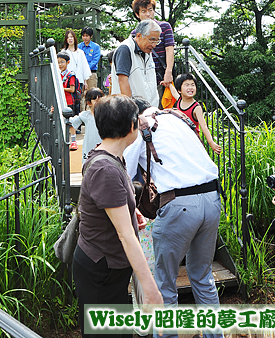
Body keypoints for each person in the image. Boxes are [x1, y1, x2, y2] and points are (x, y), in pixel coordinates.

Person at [124, 100, 223, 338]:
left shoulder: (141, 126)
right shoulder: (178, 119)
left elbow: (123, 172)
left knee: (164, 282)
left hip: (180, 204)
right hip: (212, 199)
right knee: (202, 275)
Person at [72, 95, 163, 338]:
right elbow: (126, 236)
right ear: (131, 127)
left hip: (108, 267)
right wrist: (151, 289)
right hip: (101, 272)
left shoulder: (110, 154)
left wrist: (130, 210)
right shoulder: (106, 169)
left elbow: (108, 199)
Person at [131, 0, 175, 105]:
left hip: (161, 77)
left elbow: (169, 50)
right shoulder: (135, 34)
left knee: (160, 109)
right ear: (137, 14)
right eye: (143, 11)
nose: (148, 14)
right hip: (143, 78)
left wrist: (168, 72)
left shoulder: (164, 27)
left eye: (150, 10)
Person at [111, 19, 160, 108]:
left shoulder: (147, 51)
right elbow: (122, 80)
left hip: (149, 110)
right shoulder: (125, 49)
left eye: (157, 41)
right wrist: (131, 110)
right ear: (139, 35)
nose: (154, 45)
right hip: (131, 111)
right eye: (152, 40)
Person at [170, 73, 221, 154]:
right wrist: (169, 84)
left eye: (193, 85)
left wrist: (211, 143)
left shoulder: (196, 107)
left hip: (193, 140)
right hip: (181, 137)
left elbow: (203, 126)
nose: (190, 87)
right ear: (179, 90)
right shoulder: (180, 100)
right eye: (186, 85)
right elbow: (174, 92)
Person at [61, 30, 91, 137]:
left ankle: (77, 126)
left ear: (74, 39)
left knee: (77, 103)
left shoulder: (80, 52)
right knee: (68, 103)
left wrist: (85, 81)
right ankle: (69, 125)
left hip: (79, 80)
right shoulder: (63, 52)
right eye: (68, 37)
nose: (70, 39)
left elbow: (84, 67)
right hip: (67, 80)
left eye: (71, 37)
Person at [70, 87, 104, 164]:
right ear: (89, 103)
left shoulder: (107, 114)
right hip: (89, 147)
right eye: (95, 100)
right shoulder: (86, 115)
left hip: (103, 147)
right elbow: (71, 123)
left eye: (101, 99)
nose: (99, 102)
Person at [57, 52, 78, 151]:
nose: (60, 64)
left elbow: (72, 89)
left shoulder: (70, 75)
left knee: (70, 122)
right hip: (61, 100)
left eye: (62, 62)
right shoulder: (58, 74)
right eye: (58, 62)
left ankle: (73, 141)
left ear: (68, 62)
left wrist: (61, 88)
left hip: (69, 101)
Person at [78, 26, 101, 90]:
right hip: (80, 74)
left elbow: (95, 60)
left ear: (91, 36)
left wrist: (86, 69)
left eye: (87, 36)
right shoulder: (78, 46)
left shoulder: (96, 47)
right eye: (83, 36)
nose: (85, 38)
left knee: (92, 94)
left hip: (91, 73)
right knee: (79, 94)